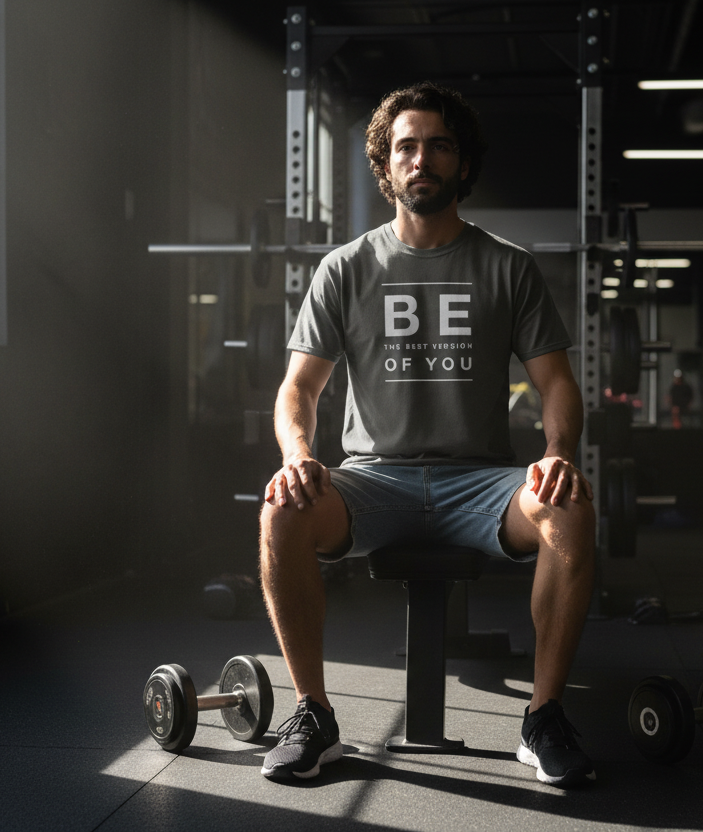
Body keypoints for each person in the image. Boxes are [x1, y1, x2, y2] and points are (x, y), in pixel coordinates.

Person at [257, 82, 596, 788]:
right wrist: (298, 459)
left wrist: (558, 453)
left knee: (568, 507)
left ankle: (543, 716)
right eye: (406, 146)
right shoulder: (344, 269)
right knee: (281, 508)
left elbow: (557, 383)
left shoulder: (508, 266)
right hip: (371, 479)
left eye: (439, 145)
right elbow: (299, 388)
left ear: (462, 164)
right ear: (386, 165)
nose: (422, 159)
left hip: (482, 483)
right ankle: (313, 715)